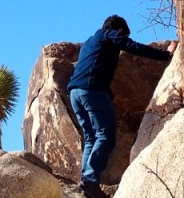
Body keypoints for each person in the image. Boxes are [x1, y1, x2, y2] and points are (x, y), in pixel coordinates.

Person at [67, 15, 177, 197]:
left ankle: (86, 180)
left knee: (91, 137)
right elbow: (132, 47)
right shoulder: (109, 35)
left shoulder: (89, 42)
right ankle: (90, 181)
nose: (124, 39)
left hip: (75, 93)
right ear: (119, 31)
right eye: (124, 36)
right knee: (105, 135)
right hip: (92, 91)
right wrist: (166, 54)